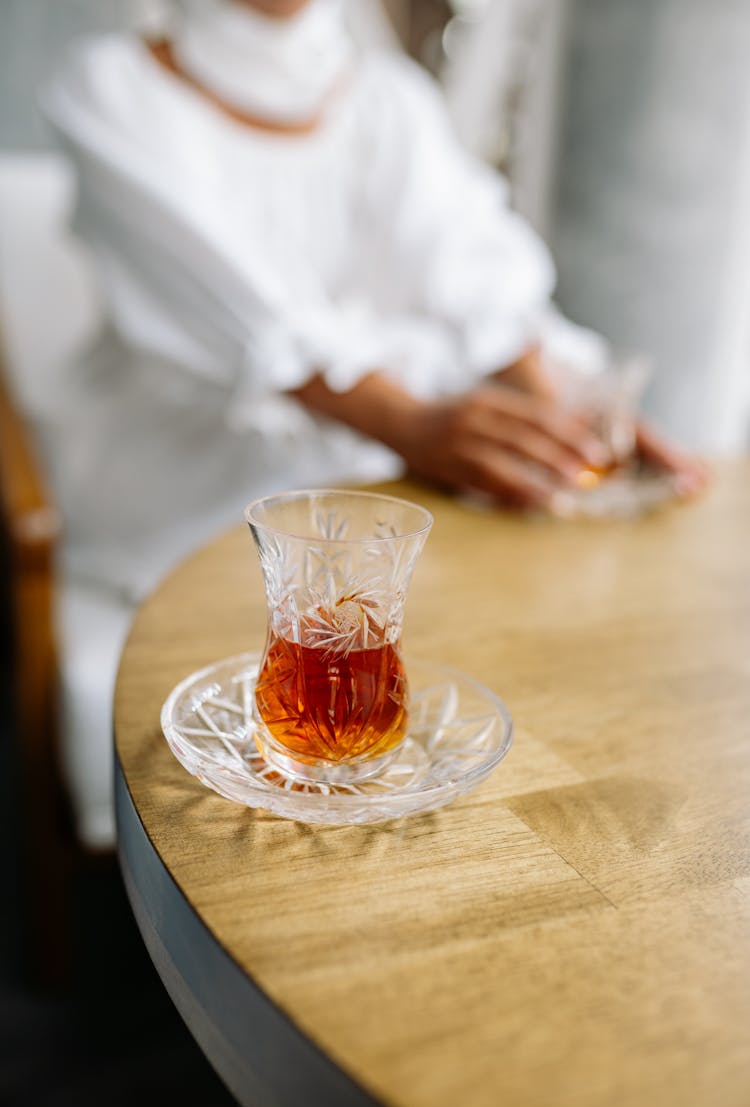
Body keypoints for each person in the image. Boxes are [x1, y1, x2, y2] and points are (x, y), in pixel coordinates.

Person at [39, 0, 705, 845]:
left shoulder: (386, 98)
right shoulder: (111, 87)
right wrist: (415, 421)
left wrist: (573, 409)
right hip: (190, 486)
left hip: (370, 491)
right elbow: (242, 311)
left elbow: (472, 266)